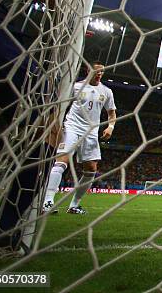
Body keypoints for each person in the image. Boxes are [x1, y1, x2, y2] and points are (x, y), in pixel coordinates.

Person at [42, 61, 117, 214]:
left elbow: (111, 113)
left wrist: (110, 126)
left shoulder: (106, 91)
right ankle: (48, 201)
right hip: (72, 126)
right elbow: (60, 105)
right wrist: (56, 124)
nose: (99, 74)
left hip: (91, 131)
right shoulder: (75, 87)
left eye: (102, 72)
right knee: (62, 159)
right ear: (87, 71)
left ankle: (74, 205)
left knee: (91, 169)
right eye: (96, 71)